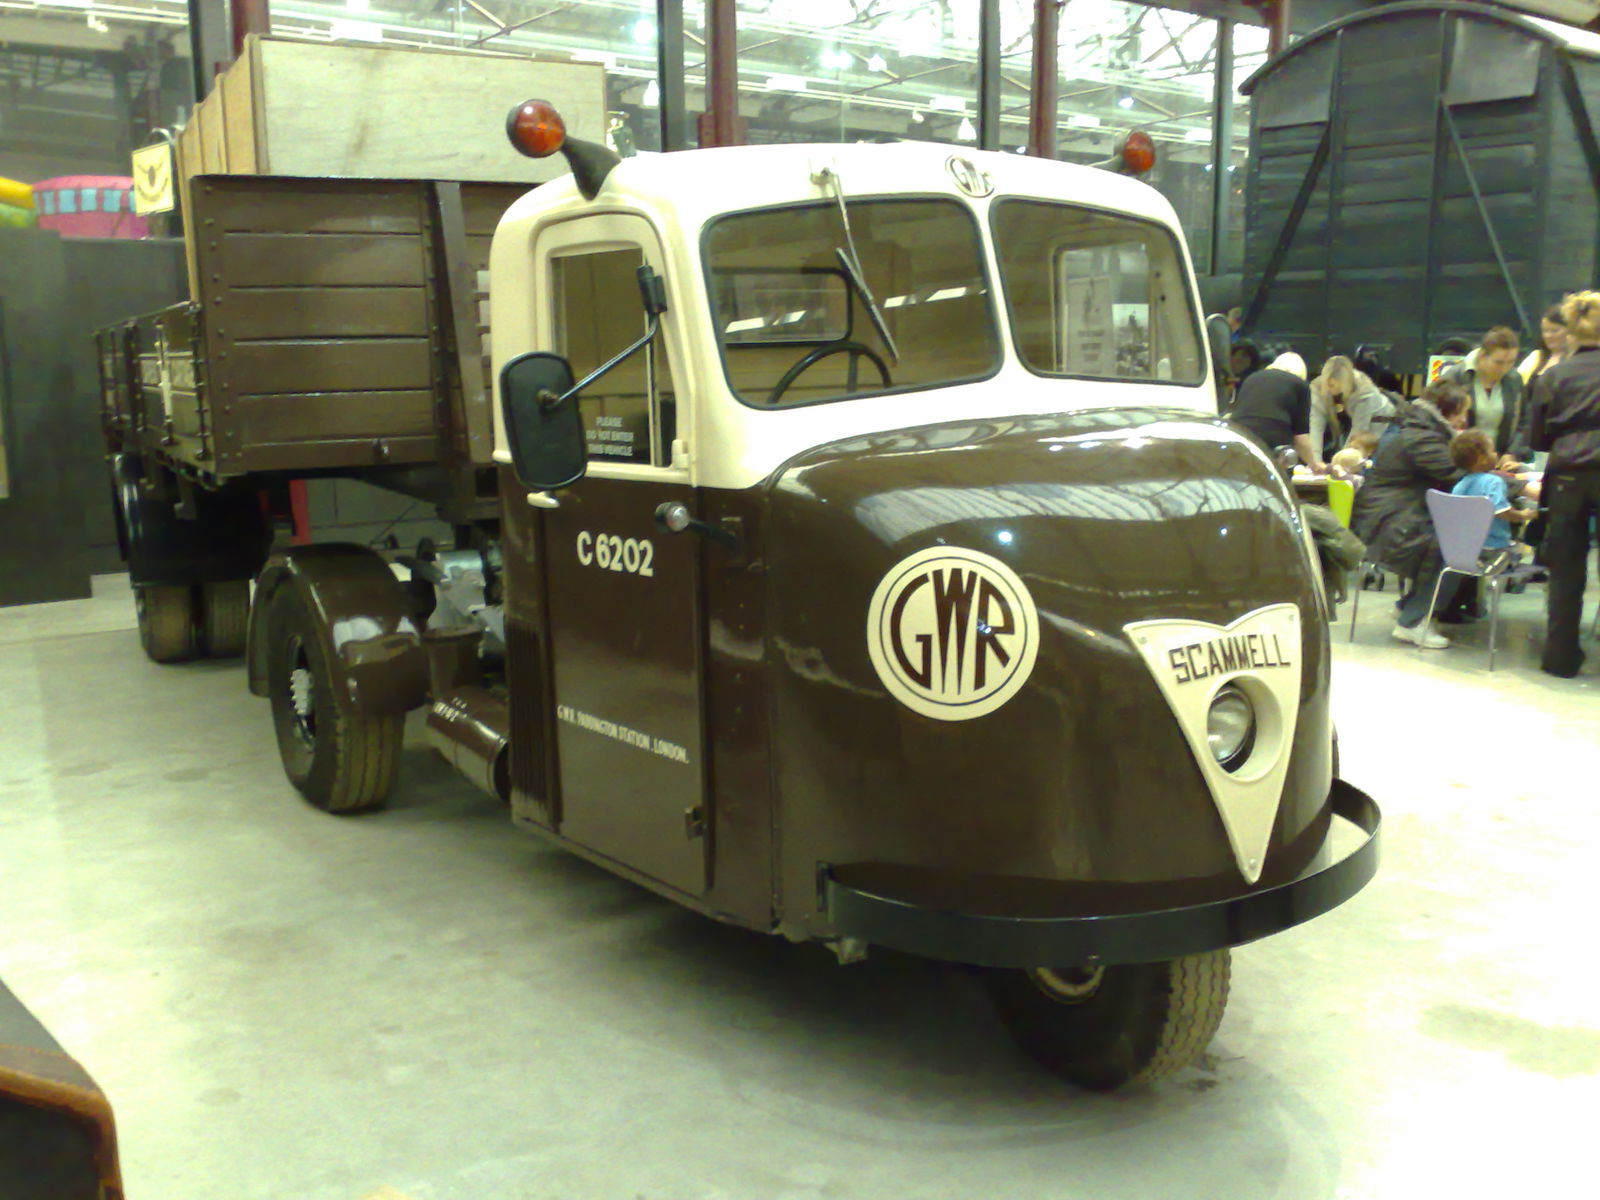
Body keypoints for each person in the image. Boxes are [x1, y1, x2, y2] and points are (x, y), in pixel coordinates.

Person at [1350, 382, 1473, 648]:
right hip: (1389, 521)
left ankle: (1410, 606)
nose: (1465, 419)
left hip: (1390, 514)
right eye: (1461, 412)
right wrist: (1517, 484)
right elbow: (1458, 474)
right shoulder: (1424, 437)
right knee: (1456, 546)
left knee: (1451, 538)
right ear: (1445, 411)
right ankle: (1413, 623)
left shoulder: (1420, 429)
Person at [1526, 290, 1600, 677]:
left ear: (1571, 332)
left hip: (1568, 473)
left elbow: (1536, 439)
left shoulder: (1553, 376)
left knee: (1566, 569)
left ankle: (1560, 658)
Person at [1449, 430, 1536, 566]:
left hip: (1468, 549)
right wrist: (1523, 515)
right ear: (1481, 458)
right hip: (1495, 547)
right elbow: (1501, 511)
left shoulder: (1459, 485)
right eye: (1492, 451)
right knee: (1524, 552)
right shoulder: (1493, 482)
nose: (1496, 455)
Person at [1440, 326, 1528, 460]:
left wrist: (1512, 453)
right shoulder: (1455, 377)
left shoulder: (1514, 379)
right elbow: (1440, 422)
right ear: (1482, 355)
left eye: (1511, 362)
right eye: (1498, 363)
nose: (1505, 368)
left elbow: (1524, 422)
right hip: (1462, 461)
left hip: (1500, 462)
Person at [1228, 351, 1323, 471]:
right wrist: (1314, 464)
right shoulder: (1300, 385)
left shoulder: (1252, 378)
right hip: (1273, 436)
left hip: (1239, 432)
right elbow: (1300, 437)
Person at [1309, 356, 1397, 461]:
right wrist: (1314, 462)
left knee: (1370, 461)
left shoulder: (1364, 391)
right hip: (1349, 421)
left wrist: (1339, 464)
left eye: (1332, 385)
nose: (1328, 389)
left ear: (1344, 382)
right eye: (1326, 384)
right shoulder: (1318, 387)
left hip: (1381, 421)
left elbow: (1359, 430)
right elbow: (1315, 426)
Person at [1518, 304, 1569, 386]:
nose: (1548, 336)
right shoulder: (1535, 357)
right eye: (1545, 331)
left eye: (1554, 331)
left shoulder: (1576, 358)